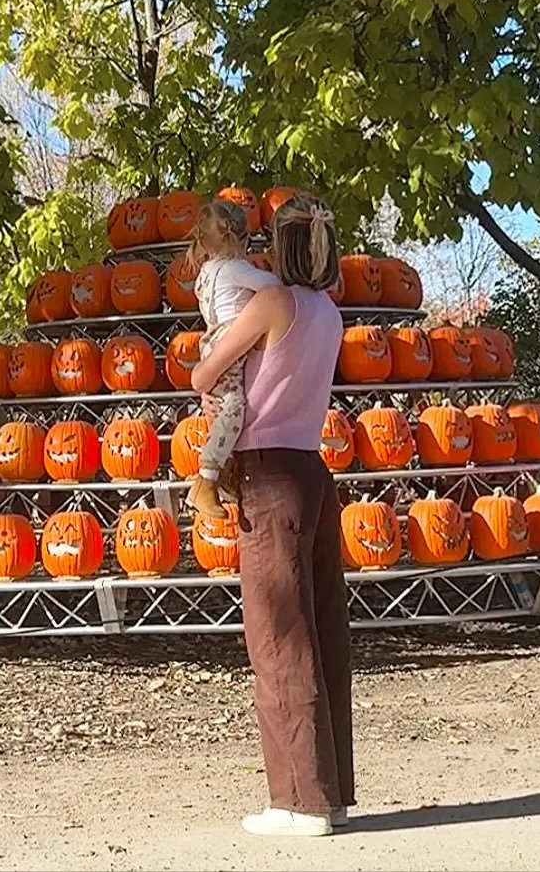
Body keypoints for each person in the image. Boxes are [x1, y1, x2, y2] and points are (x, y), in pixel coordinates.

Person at [191, 193, 353, 838]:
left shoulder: (271, 304)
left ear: (279, 246)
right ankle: (330, 793)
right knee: (323, 630)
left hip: (269, 476)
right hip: (313, 469)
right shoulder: (329, 312)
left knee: (278, 636)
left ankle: (299, 803)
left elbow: (204, 374)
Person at [185, 199, 281, 517]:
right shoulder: (235, 268)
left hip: (211, 341)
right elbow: (274, 289)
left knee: (221, 406)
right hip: (230, 339)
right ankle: (206, 480)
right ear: (241, 238)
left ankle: (225, 477)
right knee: (233, 410)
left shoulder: (205, 273)